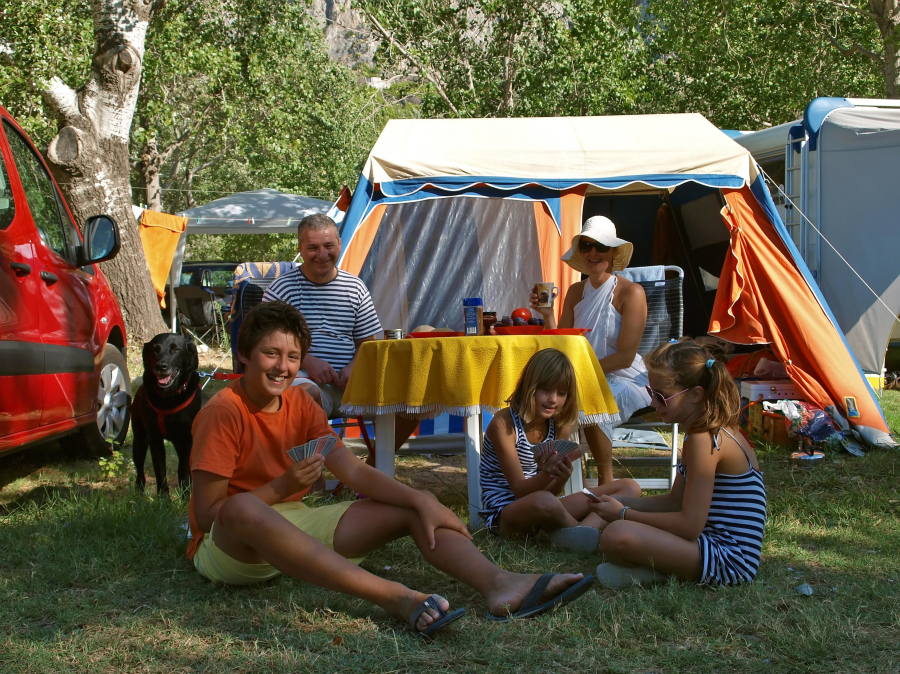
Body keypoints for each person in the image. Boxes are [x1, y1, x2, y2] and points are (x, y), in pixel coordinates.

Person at [186, 301, 595, 635]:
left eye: (292, 357)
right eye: (270, 354)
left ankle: (500, 584)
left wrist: (424, 498)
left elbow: (354, 472)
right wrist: (280, 487)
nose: (282, 367)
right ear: (244, 354)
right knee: (242, 508)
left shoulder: (301, 404)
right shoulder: (223, 411)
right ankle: (397, 598)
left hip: (291, 524)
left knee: (412, 508)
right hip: (230, 546)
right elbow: (208, 515)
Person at [589, 340, 767, 589]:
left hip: (731, 561)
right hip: (711, 546)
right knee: (618, 532)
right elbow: (675, 502)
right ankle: (658, 570)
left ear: (695, 394)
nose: (653, 404)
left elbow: (689, 526)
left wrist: (623, 514)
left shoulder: (704, 441)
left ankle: (661, 573)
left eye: (661, 396)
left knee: (617, 535)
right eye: (650, 393)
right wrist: (625, 503)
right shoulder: (703, 433)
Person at [262, 214, 420, 461]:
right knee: (302, 397)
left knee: (414, 402)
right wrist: (307, 361)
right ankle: (312, 478)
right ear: (300, 249)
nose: (322, 254)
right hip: (304, 381)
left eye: (328, 246)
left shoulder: (355, 287)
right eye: (312, 247)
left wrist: (353, 368)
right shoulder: (282, 289)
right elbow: (265, 345)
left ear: (339, 244)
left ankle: (374, 469)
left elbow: (368, 343)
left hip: (353, 384)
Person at [479, 348, 641, 552]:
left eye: (561, 393)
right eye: (546, 390)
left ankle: (583, 532)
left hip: (546, 506)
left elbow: (554, 492)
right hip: (506, 514)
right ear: (529, 387)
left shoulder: (559, 425)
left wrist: (561, 478)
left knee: (629, 487)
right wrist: (548, 475)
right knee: (544, 501)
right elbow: (520, 490)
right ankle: (579, 532)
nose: (553, 399)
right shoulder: (503, 424)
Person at [530, 215, 651, 485]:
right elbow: (562, 343)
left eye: (601, 246)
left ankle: (603, 482)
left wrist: (577, 377)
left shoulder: (632, 293)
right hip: (580, 375)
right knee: (544, 397)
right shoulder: (574, 292)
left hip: (626, 377)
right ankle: (557, 475)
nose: (593, 252)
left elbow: (625, 357)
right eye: (586, 246)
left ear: (614, 252)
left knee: (589, 400)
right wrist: (547, 315)